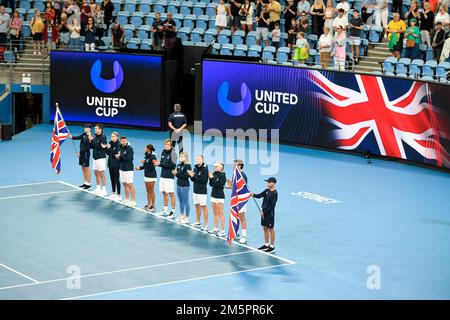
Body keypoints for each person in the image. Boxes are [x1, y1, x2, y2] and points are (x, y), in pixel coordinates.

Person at [252, 177, 278, 253]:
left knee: (271, 229)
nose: (267, 183)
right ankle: (266, 244)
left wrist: (264, 212)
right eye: (267, 182)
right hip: (263, 212)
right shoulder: (267, 191)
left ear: (273, 183)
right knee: (265, 228)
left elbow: (271, 206)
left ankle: (272, 246)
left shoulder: (275, 194)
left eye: (269, 182)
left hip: (269, 214)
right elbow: (259, 195)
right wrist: (253, 194)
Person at [226, 159, 249, 243]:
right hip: (235, 199)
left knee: (241, 216)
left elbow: (242, 188)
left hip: (241, 200)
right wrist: (230, 185)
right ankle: (237, 233)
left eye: (235, 164)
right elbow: (235, 187)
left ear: (239, 166)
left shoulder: (243, 176)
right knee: (236, 215)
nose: (233, 166)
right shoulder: (235, 174)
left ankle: (244, 236)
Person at [153, 139, 177, 218]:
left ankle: (172, 212)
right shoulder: (163, 152)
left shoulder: (173, 154)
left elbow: (172, 166)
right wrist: (158, 164)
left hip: (169, 177)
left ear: (171, 146)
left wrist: (160, 164)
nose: (166, 145)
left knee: (171, 194)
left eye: (168, 144)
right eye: (165, 144)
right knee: (164, 193)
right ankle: (165, 210)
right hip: (162, 176)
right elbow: (162, 162)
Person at [188, 155, 209, 231]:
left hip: (202, 192)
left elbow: (203, 181)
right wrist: (191, 176)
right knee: (197, 206)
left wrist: (194, 175)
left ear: (202, 160)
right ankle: (198, 222)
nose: (197, 160)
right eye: (196, 159)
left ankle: (206, 225)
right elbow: (193, 180)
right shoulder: (195, 167)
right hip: (195, 190)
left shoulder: (205, 169)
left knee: (203, 207)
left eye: (198, 159)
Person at [135, 144, 157, 212]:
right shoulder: (146, 155)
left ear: (148, 149)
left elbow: (153, 166)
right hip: (146, 175)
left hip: (151, 176)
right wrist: (140, 168)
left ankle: (153, 206)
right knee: (148, 191)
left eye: (145, 148)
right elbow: (145, 166)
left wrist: (145, 162)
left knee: (151, 191)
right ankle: (149, 204)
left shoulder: (153, 156)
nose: (144, 148)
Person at [70, 124, 92, 190]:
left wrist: (80, 153)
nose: (85, 128)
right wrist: (71, 136)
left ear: (89, 129)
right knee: (83, 168)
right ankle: (85, 183)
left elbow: (87, 147)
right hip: (81, 153)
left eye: (86, 127)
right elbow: (76, 138)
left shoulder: (90, 137)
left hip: (85, 154)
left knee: (87, 168)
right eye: (84, 127)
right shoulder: (83, 134)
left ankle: (88, 184)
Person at [172, 151, 192, 224]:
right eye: (180, 156)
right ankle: (182, 215)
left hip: (185, 186)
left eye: (182, 156)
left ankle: (187, 217)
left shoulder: (188, 166)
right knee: (180, 201)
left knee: (186, 202)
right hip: (178, 184)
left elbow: (186, 177)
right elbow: (178, 174)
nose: (180, 158)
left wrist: (176, 174)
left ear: (185, 157)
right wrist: (175, 174)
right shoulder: (179, 165)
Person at [89, 124, 108, 197]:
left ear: (100, 129)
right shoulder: (95, 137)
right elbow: (92, 146)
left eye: (96, 129)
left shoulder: (103, 137)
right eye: (95, 129)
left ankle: (104, 189)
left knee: (102, 173)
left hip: (101, 158)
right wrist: (90, 141)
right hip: (95, 158)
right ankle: (98, 188)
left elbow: (99, 146)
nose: (95, 130)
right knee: (96, 173)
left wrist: (92, 140)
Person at [116, 136, 136, 207]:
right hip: (121, 169)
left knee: (130, 185)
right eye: (122, 141)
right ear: (120, 141)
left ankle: (133, 201)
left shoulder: (130, 149)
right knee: (124, 184)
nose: (124, 142)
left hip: (128, 170)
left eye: (125, 141)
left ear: (126, 141)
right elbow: (119, 157)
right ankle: (127, 199)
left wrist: (120, 156)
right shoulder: (119, 147)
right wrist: (118, 157)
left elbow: (129, 159)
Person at [208, 162, 226, 237]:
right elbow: (211, 184)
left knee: (220, 213)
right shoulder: (214, 173)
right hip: (213, 196)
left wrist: (212, 178)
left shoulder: (223, 176)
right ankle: (215, 228)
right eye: (215, 166)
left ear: (221, 167)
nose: (215, 168)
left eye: (217, 166)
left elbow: (219, 185)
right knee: (215, 213)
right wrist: (210, 178)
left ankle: (222, 231)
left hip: (219, 197)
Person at [104, 131, 121, 201]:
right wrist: (106, 148)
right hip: (110, 164)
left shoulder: (119, 144)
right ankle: (113, 193)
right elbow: (108, 153)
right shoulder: (110, 143)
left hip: (116, 164)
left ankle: (119, 195)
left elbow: (115, 154)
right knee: (112, 179)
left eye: (113, 136)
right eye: (111, 136)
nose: (112, 137)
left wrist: (110, 148)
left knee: (117, 179)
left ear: (117, 137)